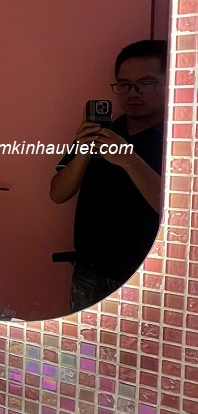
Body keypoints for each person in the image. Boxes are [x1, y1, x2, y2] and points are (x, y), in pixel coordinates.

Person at [50, 39, 166, 313]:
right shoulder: (101, 133)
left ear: (169, 82)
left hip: (146, 275)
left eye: (146, 83)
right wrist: (84, 150)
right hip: (88, 271)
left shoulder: (180, 141)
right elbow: (57, 193)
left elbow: (180, 213)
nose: (133, 93)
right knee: (82, 340)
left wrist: (129, 160)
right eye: (124, 84)